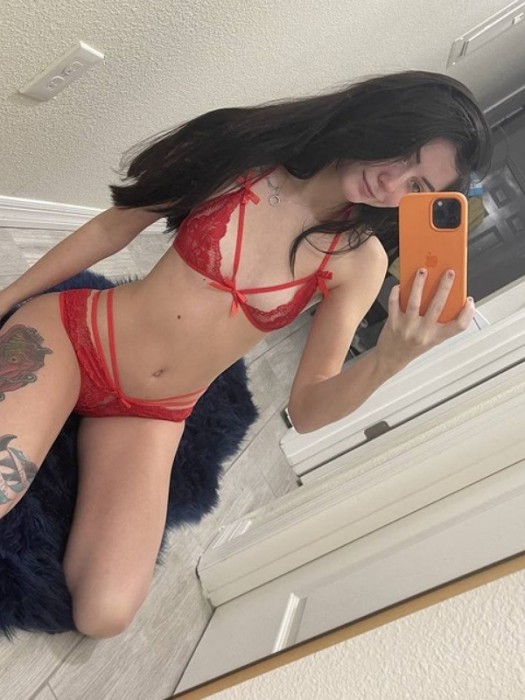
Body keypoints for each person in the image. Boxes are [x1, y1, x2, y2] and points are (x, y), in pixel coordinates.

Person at [0, 70, 493, 638]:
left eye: (417, 186)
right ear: (380, 112)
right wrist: (8, 301)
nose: (391, 183)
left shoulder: (360, 262)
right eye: (403, 152)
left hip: (152, 412)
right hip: (75, 338)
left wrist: (389, 359)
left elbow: (307, 409)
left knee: (104, 614)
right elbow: (112, 229)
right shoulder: (240, 151)